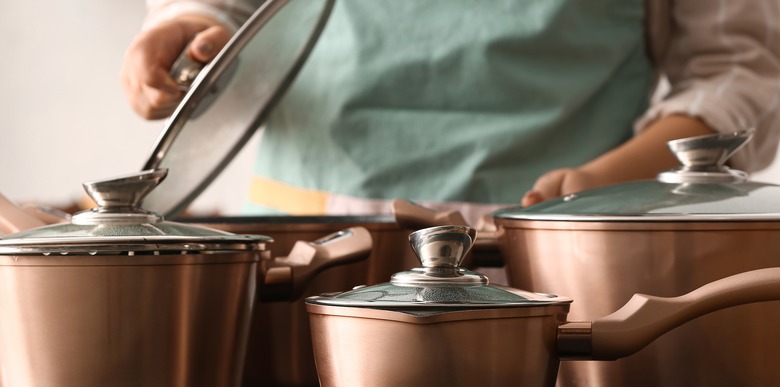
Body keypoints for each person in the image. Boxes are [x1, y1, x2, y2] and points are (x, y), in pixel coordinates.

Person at [121, 0, 780, 224]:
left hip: (555, 271)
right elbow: (227, 8)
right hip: (302, 261)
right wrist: (190, 25)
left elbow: (736, 67)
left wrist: (615, 181)